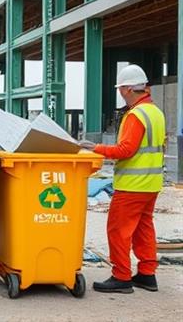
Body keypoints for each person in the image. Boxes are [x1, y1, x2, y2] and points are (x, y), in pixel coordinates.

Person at [80, 64, 165, 293]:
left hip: (132, 186)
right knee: (143, 228)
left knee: (118, 230)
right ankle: (147, 275)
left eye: (121, 89)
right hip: (151, 184)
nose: (120, 93)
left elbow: (126, 150)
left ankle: (121, 277)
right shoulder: (155, 112)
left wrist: (94, 147)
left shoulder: (136, 115)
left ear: (128, 89)